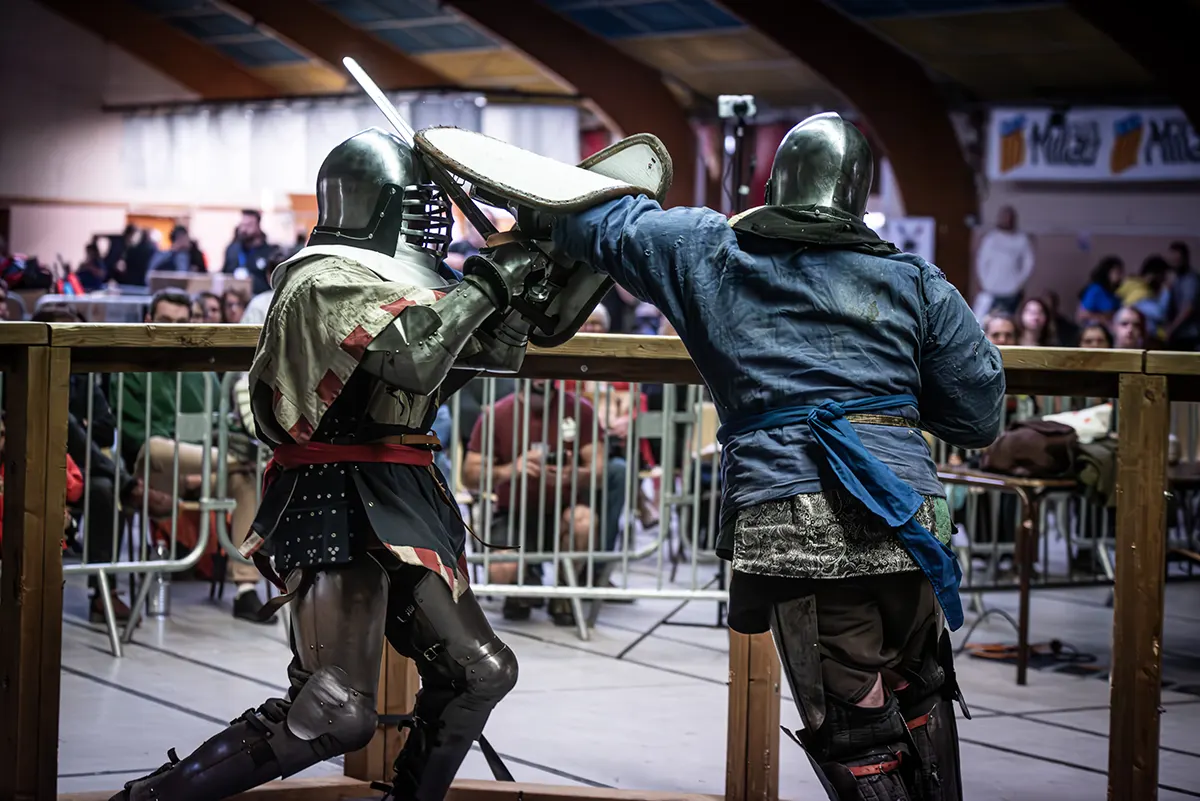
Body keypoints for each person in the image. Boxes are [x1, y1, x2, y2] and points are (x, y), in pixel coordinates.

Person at [542, 112, 1004, 800]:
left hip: (799, 515)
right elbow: (979, 412)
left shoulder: (712, 251)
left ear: (778, 181)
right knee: (920, 688)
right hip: (912, 517)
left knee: (857, 725)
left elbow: (599, 220)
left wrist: (531, 213)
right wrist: (888, 405)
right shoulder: (915, 279)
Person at [110, 127, 547, 801]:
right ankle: (149, 799)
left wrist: (552, 262)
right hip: (333, 485)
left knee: (479, 670)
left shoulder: (414, 284)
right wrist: (491, 278)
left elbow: (490, 354)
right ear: (373, 202)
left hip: (400, 480)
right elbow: (415, 356)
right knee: (334, 708)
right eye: (416, 203)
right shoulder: (324, 277)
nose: (431, 218)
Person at [972, 205, 1034, 318]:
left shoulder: (1021, 239)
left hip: (1011, 291)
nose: (1007, 220)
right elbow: (981, 262)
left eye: (1009, 218)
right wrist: (983, 281)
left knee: (1008, 320)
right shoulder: (990, 239)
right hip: (990, 288)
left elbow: (1028, 264)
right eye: (1004, 217)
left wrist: (1019, 283)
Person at [222, 210, 276, 295]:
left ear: (258, 226)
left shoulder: (269, 253)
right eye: (242, 225)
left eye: (249, 225)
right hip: (235, 299)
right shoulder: (232, 250)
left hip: (259, 299)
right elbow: (224, 274)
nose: (244, 229)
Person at [1165, 241, 1199, 350]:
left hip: (1189, 335)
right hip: (1179, 335)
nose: (1174, 262)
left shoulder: (1191, 279)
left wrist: (1171, 329)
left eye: (1177, 259)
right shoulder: (1176, 279)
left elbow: (1188, 308)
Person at [1076, 256, 1124, 326]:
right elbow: (1082, 314)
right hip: (1097, 328)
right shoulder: (1095, 289)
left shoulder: (1114, 291)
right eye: (1117, 272)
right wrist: (1103, 318)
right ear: (1107, 272)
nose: (1120, 276)